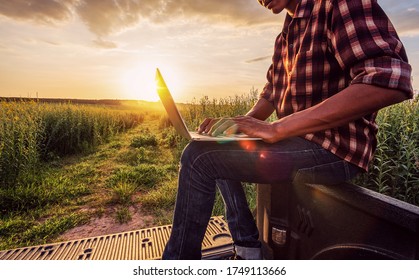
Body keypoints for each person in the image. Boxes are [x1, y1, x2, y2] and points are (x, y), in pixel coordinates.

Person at [162, 0, 413, 260]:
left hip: (335, 147)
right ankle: (248, 248)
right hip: (297, 142)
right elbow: (271, 93)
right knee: (217, 145)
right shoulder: (285, 36)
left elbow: (388, 81)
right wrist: (236, 126)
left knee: (197, 158)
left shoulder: (337, 5)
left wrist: (278, 127)